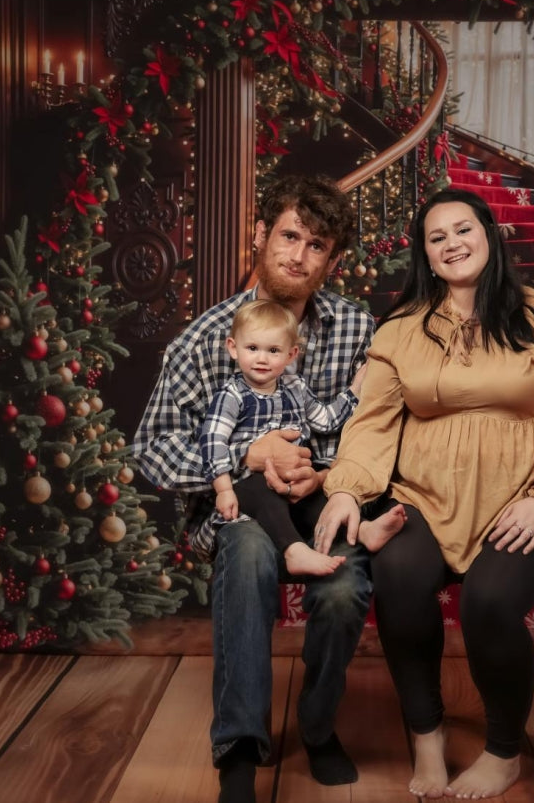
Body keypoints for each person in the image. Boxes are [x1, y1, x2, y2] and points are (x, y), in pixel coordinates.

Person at [316, 188, 534, 799]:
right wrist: (345, 489)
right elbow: (373, 425)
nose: (452, 244)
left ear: (491, 234)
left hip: (530, 499)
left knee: (490, 603)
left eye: (462, 229)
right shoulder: (402, 329)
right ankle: (426, 734)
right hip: (424, 496)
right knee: (398, 575)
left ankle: (503, 751)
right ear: (426, 254)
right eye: (436, 237)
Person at [134, 174, 381, 803]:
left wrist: (325, 471)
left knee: (346, 585)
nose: (298, 256)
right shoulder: (206, 337)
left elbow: (377, 427)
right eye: (289, 236)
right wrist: (247, 453)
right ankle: (240, 749)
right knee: (245, 556)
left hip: (326, 500)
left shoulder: (358, 329)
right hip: (239, 505)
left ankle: (319, 725)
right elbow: (151, 450)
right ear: (260, 235)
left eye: (317, 245)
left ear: (334, 260)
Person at [199, 298, 368, 576]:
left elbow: (325, 420)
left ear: (291, 355)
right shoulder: (232, 396)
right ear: (233, 348)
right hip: (248, 486)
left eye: (273, 350)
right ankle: (294, 551)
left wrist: (354, 391)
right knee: (265, 494)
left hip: (293, 486)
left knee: (320, 502)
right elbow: (212, 443)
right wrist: (224, 490)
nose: (262, 358)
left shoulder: (295, 388)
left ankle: (363, 530)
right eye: (252, 348)